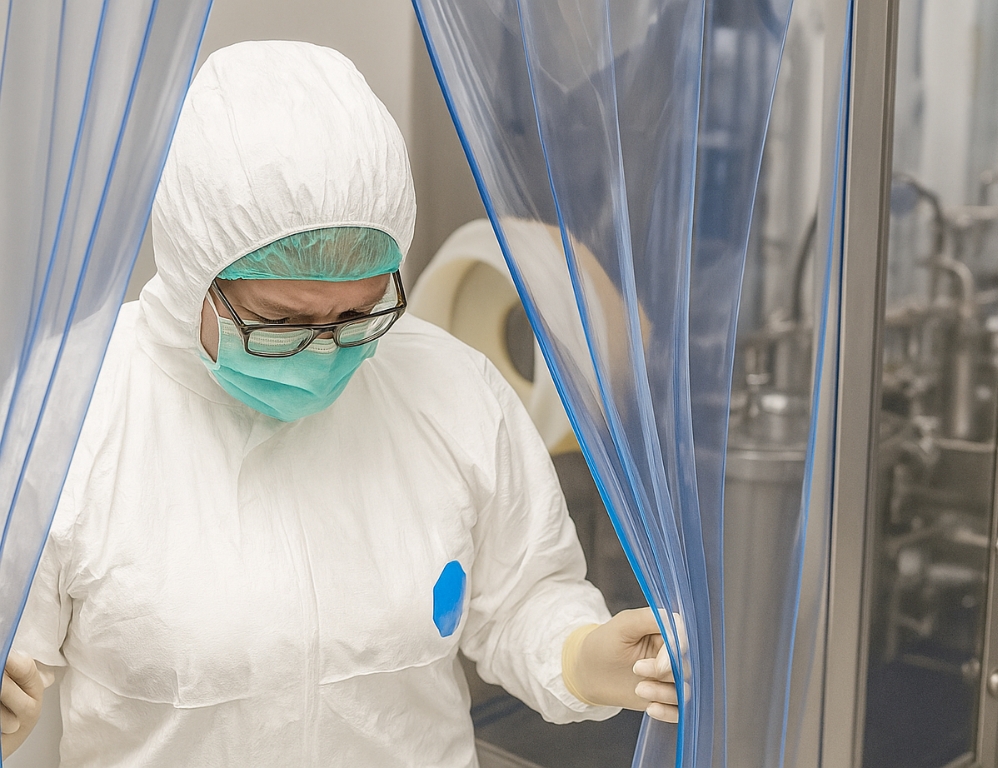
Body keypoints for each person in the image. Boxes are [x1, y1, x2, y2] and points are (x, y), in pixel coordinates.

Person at [0, 41, 682, 767]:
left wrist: (582, 657)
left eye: (359, 314)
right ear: (196, 269)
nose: (326, 351)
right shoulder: (69, 412)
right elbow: (15, 650)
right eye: (283, 321)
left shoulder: (448, 391)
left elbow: (521, 599)